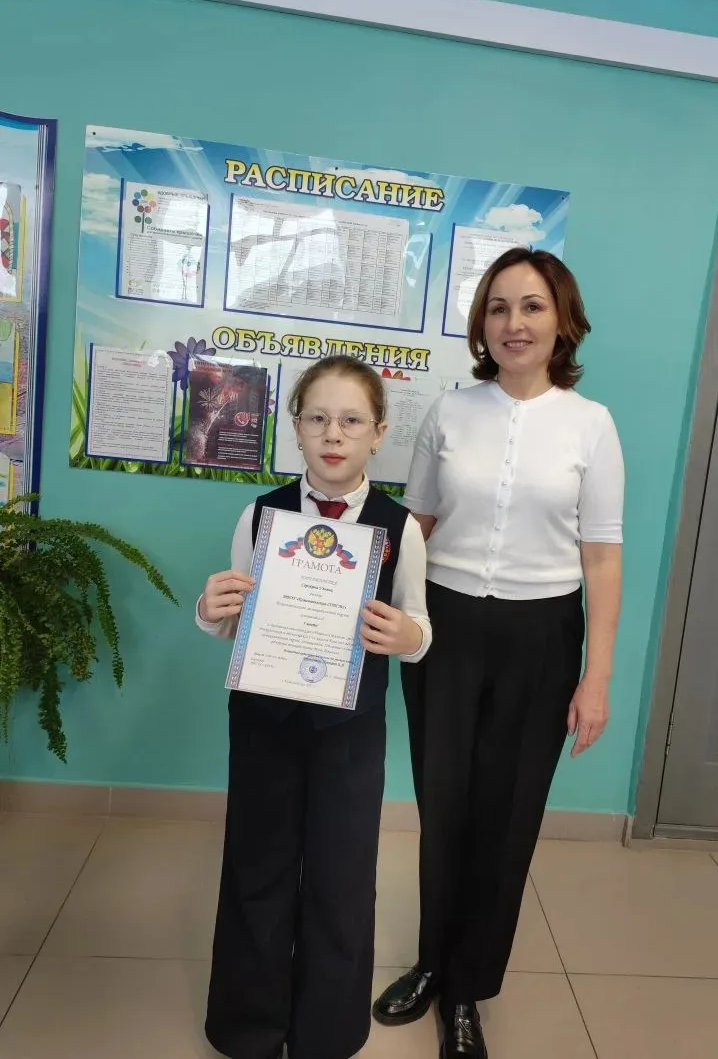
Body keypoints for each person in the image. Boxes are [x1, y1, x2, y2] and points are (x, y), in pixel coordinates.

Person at [372, 248, 624, 1059]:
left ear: (562, 320)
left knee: (506, 820)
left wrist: (596, 676)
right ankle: (431, 963)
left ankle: (467, 990)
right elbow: (418, 527)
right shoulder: (450, 413)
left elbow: (602, 559)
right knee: (444, 806)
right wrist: (351, 593)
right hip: (444, 627)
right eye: (499, 307)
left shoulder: (591, 425)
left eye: (532, 306)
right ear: (482, 323)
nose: (515, 323)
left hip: (541, 638)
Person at [196, 354, 432, 1059]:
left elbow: (420, 626)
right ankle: (248, 1026)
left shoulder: (400, 527)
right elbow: (232, 620)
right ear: (295, 428)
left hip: (349, 731)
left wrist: (408, 637)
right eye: (318, 418)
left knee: (342, 875)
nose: (334, 434)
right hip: (264, 723)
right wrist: (209, 610)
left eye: (351, 420)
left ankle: (327, 1031)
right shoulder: (261, 514)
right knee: (257, 867)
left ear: (378, 434)